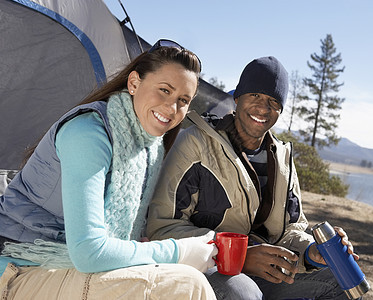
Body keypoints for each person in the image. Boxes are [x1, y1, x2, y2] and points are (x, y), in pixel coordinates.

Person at [0, 39, 218, 300]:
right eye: (164, 90)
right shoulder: (87, 133)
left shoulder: (149, 147)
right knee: (187, 285)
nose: (172, 108)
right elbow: (89, 252)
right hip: (19, 270)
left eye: (183, 100)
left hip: (68, 267)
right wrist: (178, 251)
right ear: (134, 83)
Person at [147, 56, 362, 299]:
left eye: (273, 101)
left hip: (265, 272)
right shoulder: (195, 144)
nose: (263, 108)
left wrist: (312, 252)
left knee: (343, 279)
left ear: (280, 110)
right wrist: (238, 254)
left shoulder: (282, 159)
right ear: (237, 98)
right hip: (207, 268)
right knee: (243, 292)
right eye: (255, 96)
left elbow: (291, 229)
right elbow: (162, 227)